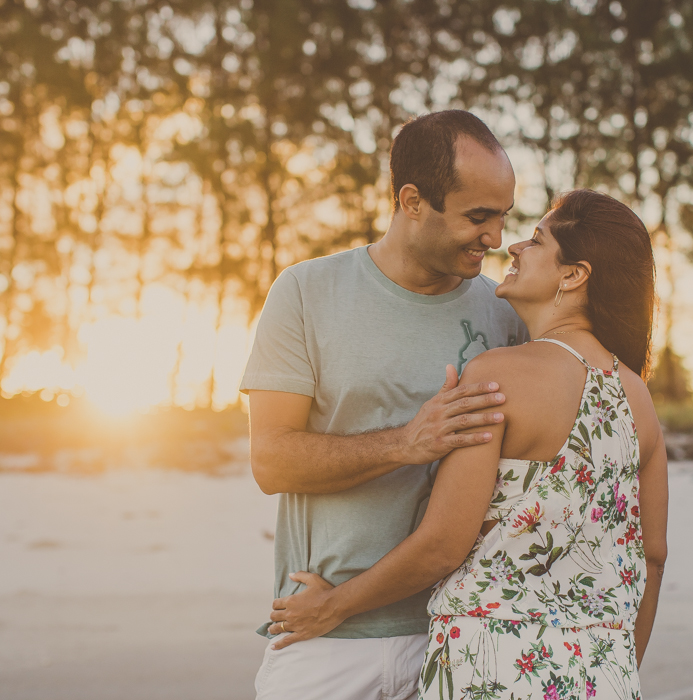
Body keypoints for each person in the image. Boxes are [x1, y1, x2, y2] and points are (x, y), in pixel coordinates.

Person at [267, 189, 669, 700]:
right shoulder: (637, 396)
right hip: (602, 673)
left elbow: (442, 545)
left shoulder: (498, 375)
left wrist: (335, 605)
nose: (514, 247)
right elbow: (651, 558)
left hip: (492, 667)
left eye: (537, 240)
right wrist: (613, 669)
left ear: (573, 275)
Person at [240, 110, 530, 700]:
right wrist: (407, 442)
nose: (496, 238)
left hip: (461, 637)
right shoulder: (304, 292)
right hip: (325, 633)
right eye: (478, 216)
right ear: (412, 201)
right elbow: (272, 462)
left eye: (503, 217)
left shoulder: (506, 315)